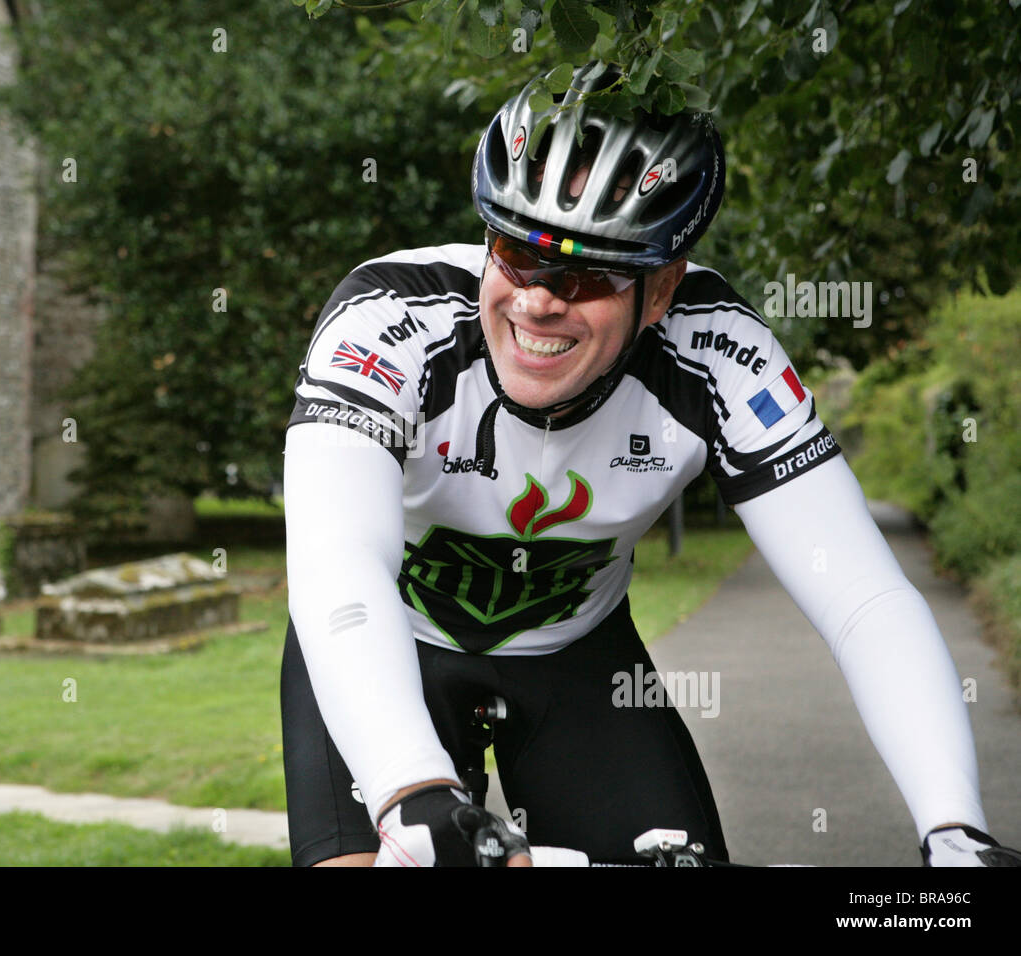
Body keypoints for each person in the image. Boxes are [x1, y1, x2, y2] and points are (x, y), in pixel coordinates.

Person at [280, 62, 1020, 867]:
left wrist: (955, 828)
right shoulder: (389, 320)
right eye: (514, 253)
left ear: (662, 289)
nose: (537, 300)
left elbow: (865, 599)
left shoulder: (718, 353)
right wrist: (409, 788)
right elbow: (336, 562)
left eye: (588, 272)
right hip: (387, 642)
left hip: (579, 662)